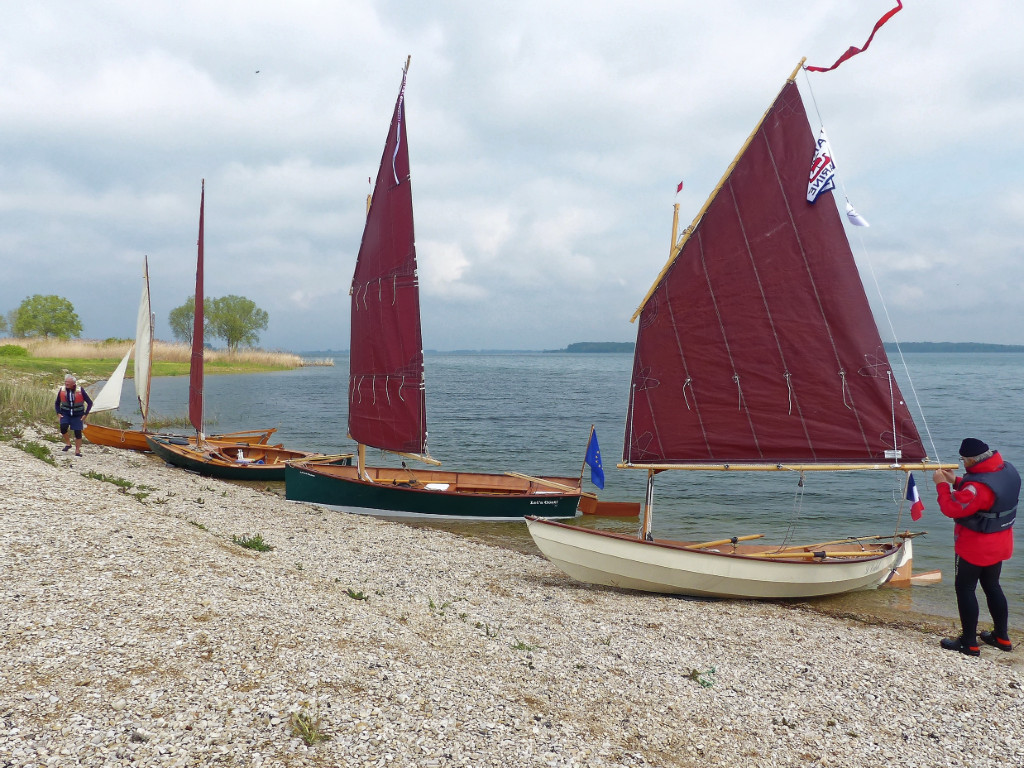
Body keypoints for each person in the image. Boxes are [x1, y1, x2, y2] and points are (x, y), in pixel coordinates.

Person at [933, 437, 1018, 656]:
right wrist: (957, 481)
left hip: (975, 546)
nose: (962, 463)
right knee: (992, 586)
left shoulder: (976, 487)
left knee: (965, 589)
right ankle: (1002, 637)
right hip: (1000, 541)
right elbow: (986, 494)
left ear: (971, 460)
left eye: (963, 460)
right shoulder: (1006, 469)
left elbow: (953, 507)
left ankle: (969, 643)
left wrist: (941, 485)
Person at [55, 375, 93, 457]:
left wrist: (85, 414)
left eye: (68, 383)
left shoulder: (80, 390)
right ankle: (68, 443)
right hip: (65, 413)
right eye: (65, 382)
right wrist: (58, 412)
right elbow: (57, 403)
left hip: (78, 415)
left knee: (78, 433)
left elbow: (90, 403)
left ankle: (77, 450)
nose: (66, 384)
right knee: (63, 427)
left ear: (73, 383)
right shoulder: (62, 390)